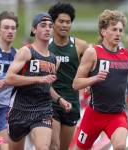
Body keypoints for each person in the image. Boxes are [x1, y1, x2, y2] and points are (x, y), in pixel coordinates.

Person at [72, 9, 128, 150]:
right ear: (104, 32)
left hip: (117, 115)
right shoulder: (93, 53)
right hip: (94, 115)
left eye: (120, 30)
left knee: (120, 146)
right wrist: (94, 79)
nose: (118, 33)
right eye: (114, 29)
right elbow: (76, 84)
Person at [5, 12, 72, 150]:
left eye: (50, 26)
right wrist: (38, 78)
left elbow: (47, 86)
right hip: (20, 109)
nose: (48, 29)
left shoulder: (54, 60)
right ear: (34, 30)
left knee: (43, 147)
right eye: (43, 26)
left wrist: (59, 99)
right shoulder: (26, 51)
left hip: (43, 109)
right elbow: (9, 78)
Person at [48, 2, 89, 150]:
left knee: (63, 148)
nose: (65, 25)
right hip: (50, 102)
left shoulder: (80, 46)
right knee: (54, 146)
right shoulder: (46, 45)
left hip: (72, 103)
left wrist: (89, 83)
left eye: (68, 22)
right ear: (53, 23)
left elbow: (93, 65)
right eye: (61, 21)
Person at [0, 11, 18, 150]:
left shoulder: (18, 55)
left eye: (13, 28)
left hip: (4, 109)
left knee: (4, 146)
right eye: (6, 27)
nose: (10, 31)